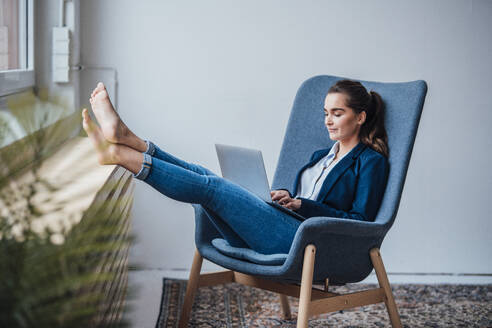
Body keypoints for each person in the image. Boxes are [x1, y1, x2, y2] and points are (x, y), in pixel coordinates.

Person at [82, 79, 389, 255]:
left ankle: (122, 155)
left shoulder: (371, 162)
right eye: (326, 112)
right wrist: (286, 196)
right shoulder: (321, 155)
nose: (328, 120)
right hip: (285, 225)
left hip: (309, 243)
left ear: (360, 117)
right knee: (203, 173)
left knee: (212, 189)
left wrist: (302, 205)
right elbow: (306, 198)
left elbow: (360, 221)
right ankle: (130, 141)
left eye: (337, 113)